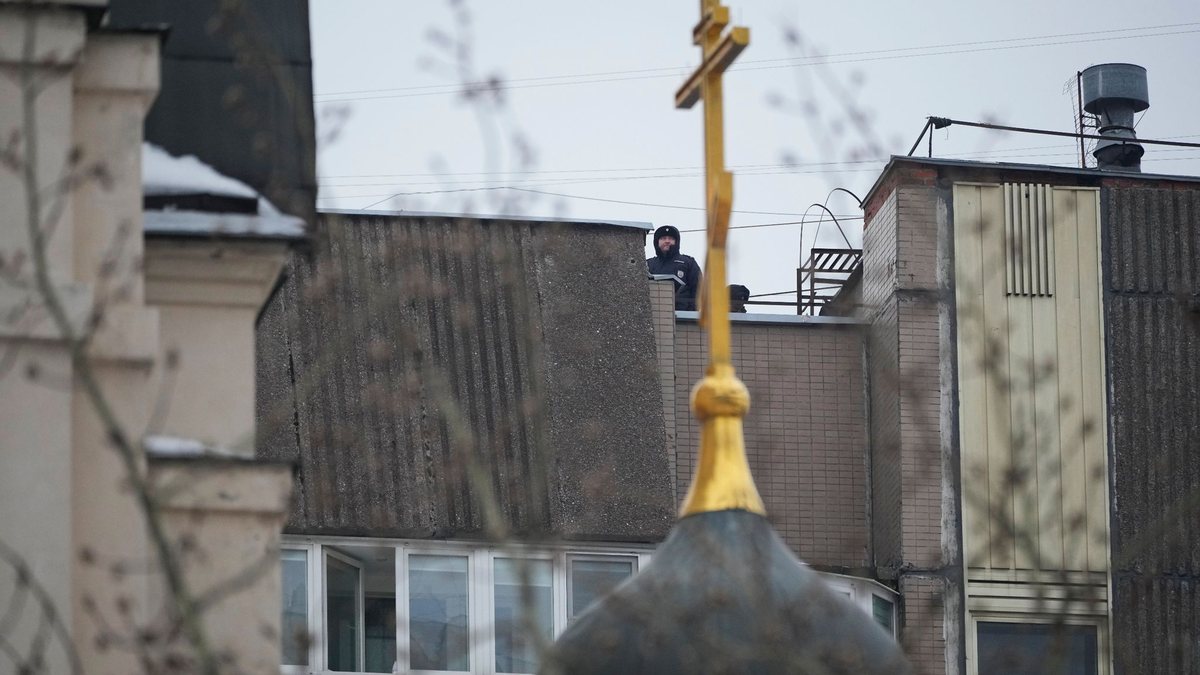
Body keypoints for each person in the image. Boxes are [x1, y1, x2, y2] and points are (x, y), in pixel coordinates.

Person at [647, 225, 702, 311]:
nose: (667, 241)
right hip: (653, 313)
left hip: (682, 314)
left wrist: (691, 313)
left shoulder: (688, 262)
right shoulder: (648, 264)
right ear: (657, 242)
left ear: (677, 242)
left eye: (671, 238)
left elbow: (698, 288)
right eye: (663, 238)